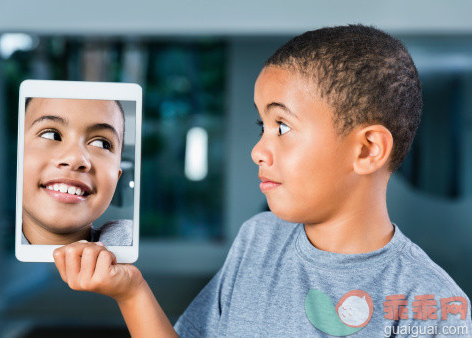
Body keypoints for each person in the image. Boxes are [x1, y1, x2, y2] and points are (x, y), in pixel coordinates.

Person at [53, 25, 472, 336]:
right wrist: (131, 291)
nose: (258, 150)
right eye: (262, 125)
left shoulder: (434, 308)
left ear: (367, 150)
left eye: (282, 127)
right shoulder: (259, 239)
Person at [23, 98, 132, 246]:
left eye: (101, 143)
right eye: (51, 135)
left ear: (117, 177)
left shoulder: (132, 248)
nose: (75, 159)